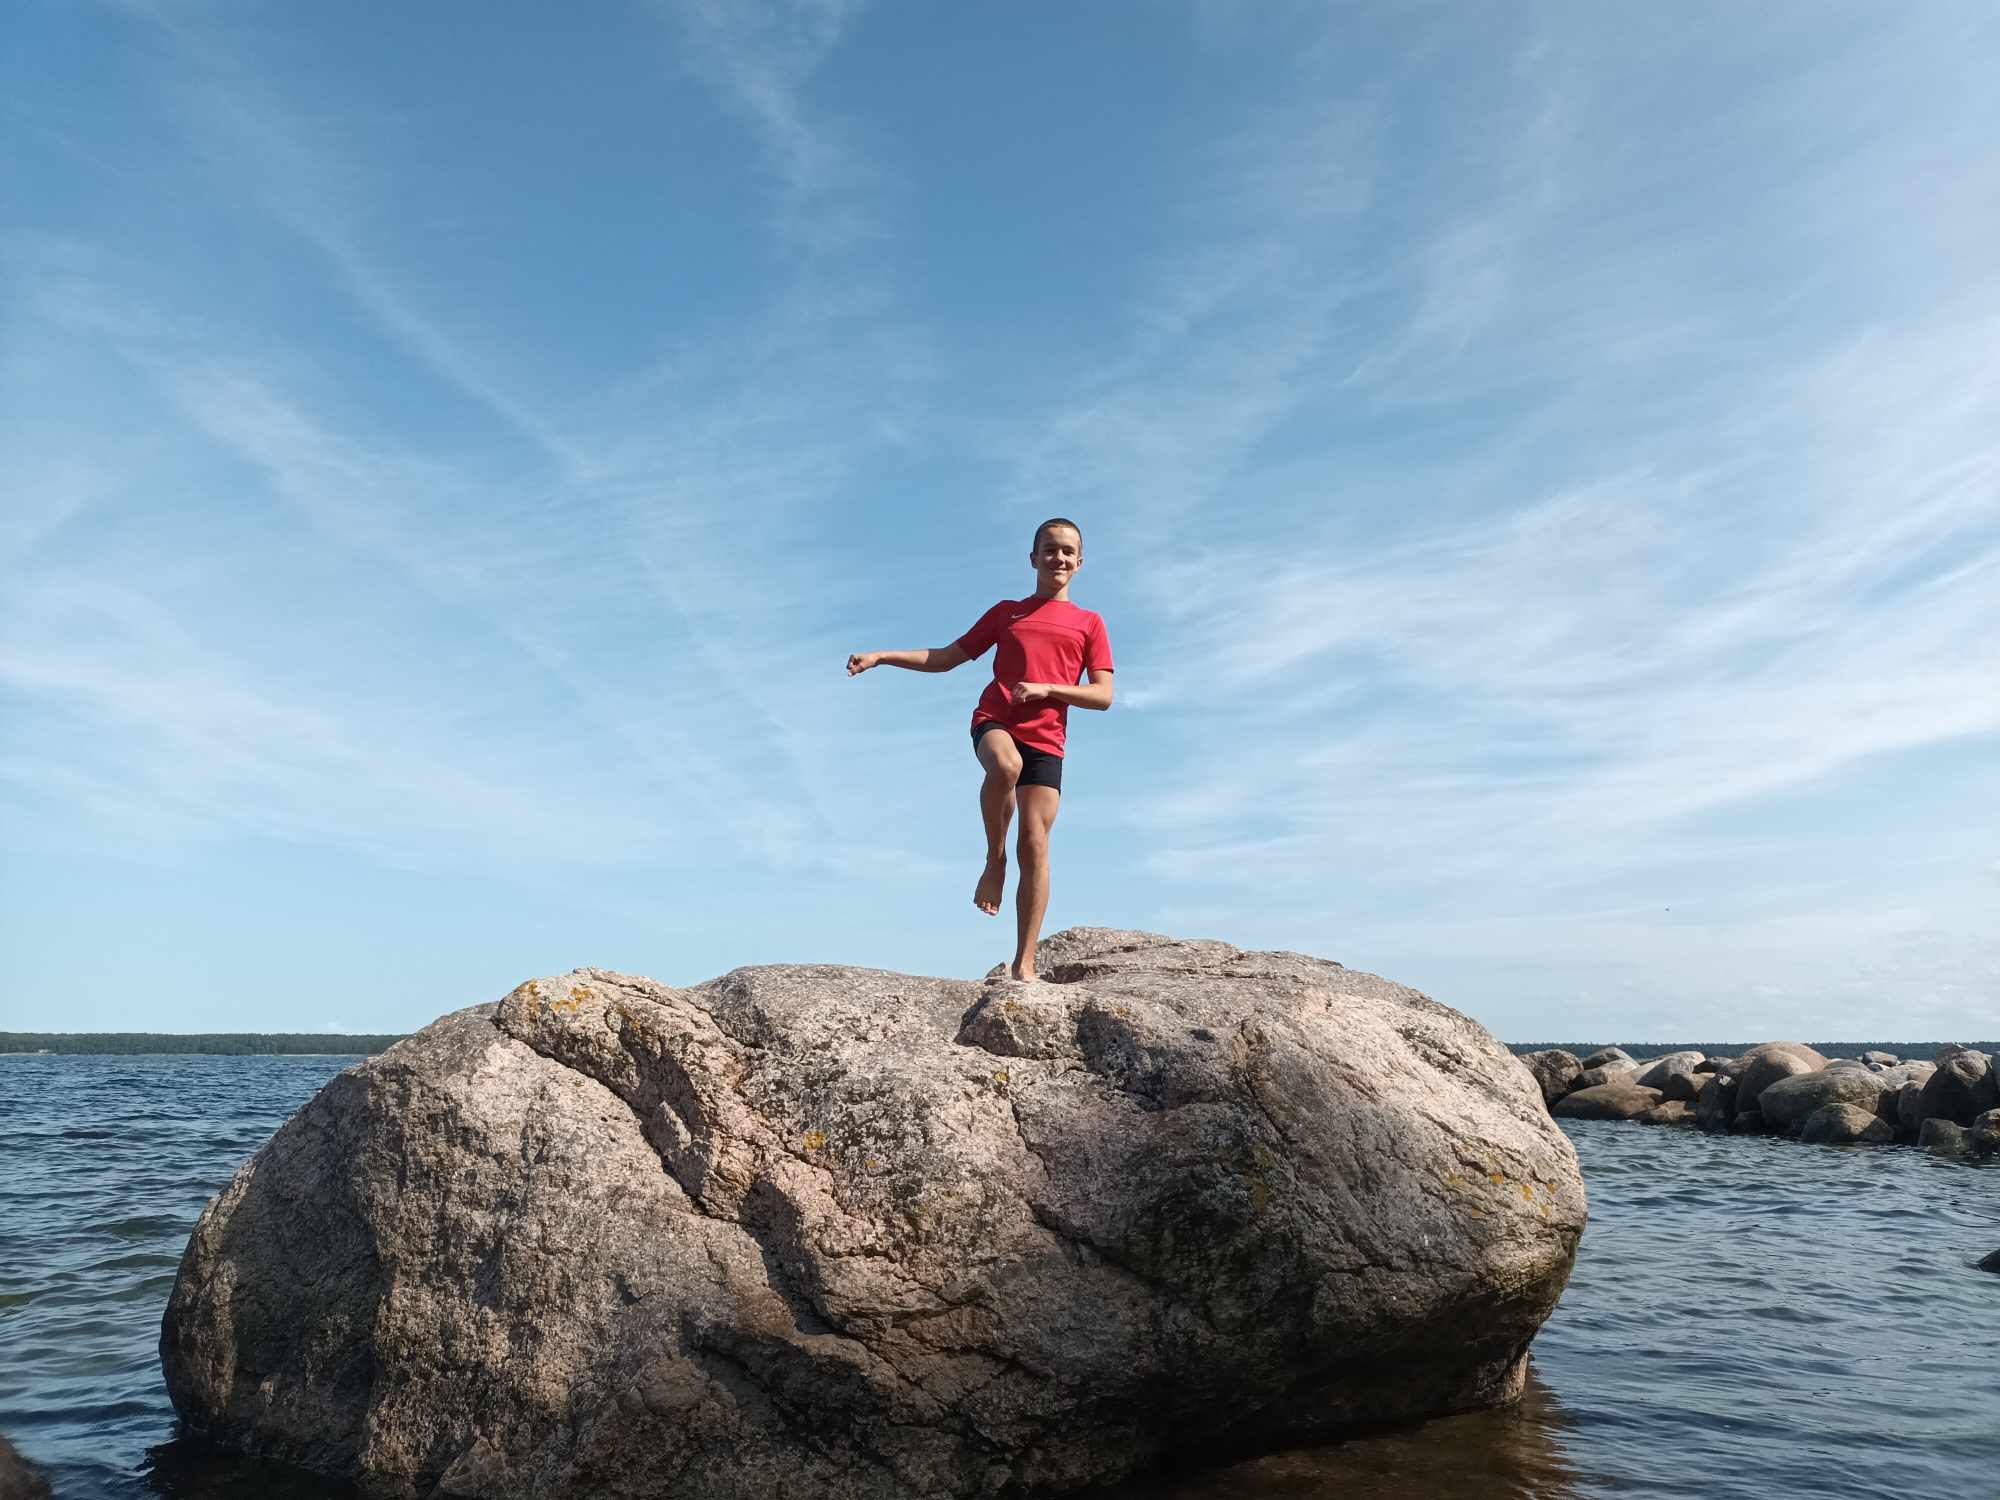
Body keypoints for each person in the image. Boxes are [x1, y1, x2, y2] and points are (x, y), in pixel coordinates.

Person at [846, 518, 1114, 982]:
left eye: (1068, 551)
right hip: (997, 720)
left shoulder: (1089, 623)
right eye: (1050, 550)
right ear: (1033, 558)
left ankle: (1024, 963)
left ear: (1081, 562)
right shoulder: (1008, 613)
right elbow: (947, 657)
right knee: (1004, 764)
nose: (1059, 558)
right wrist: (881, 656)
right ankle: (994, 858)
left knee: (1035, 844)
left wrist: (1049, 689)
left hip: (1048, 739)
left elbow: (1103, 694)